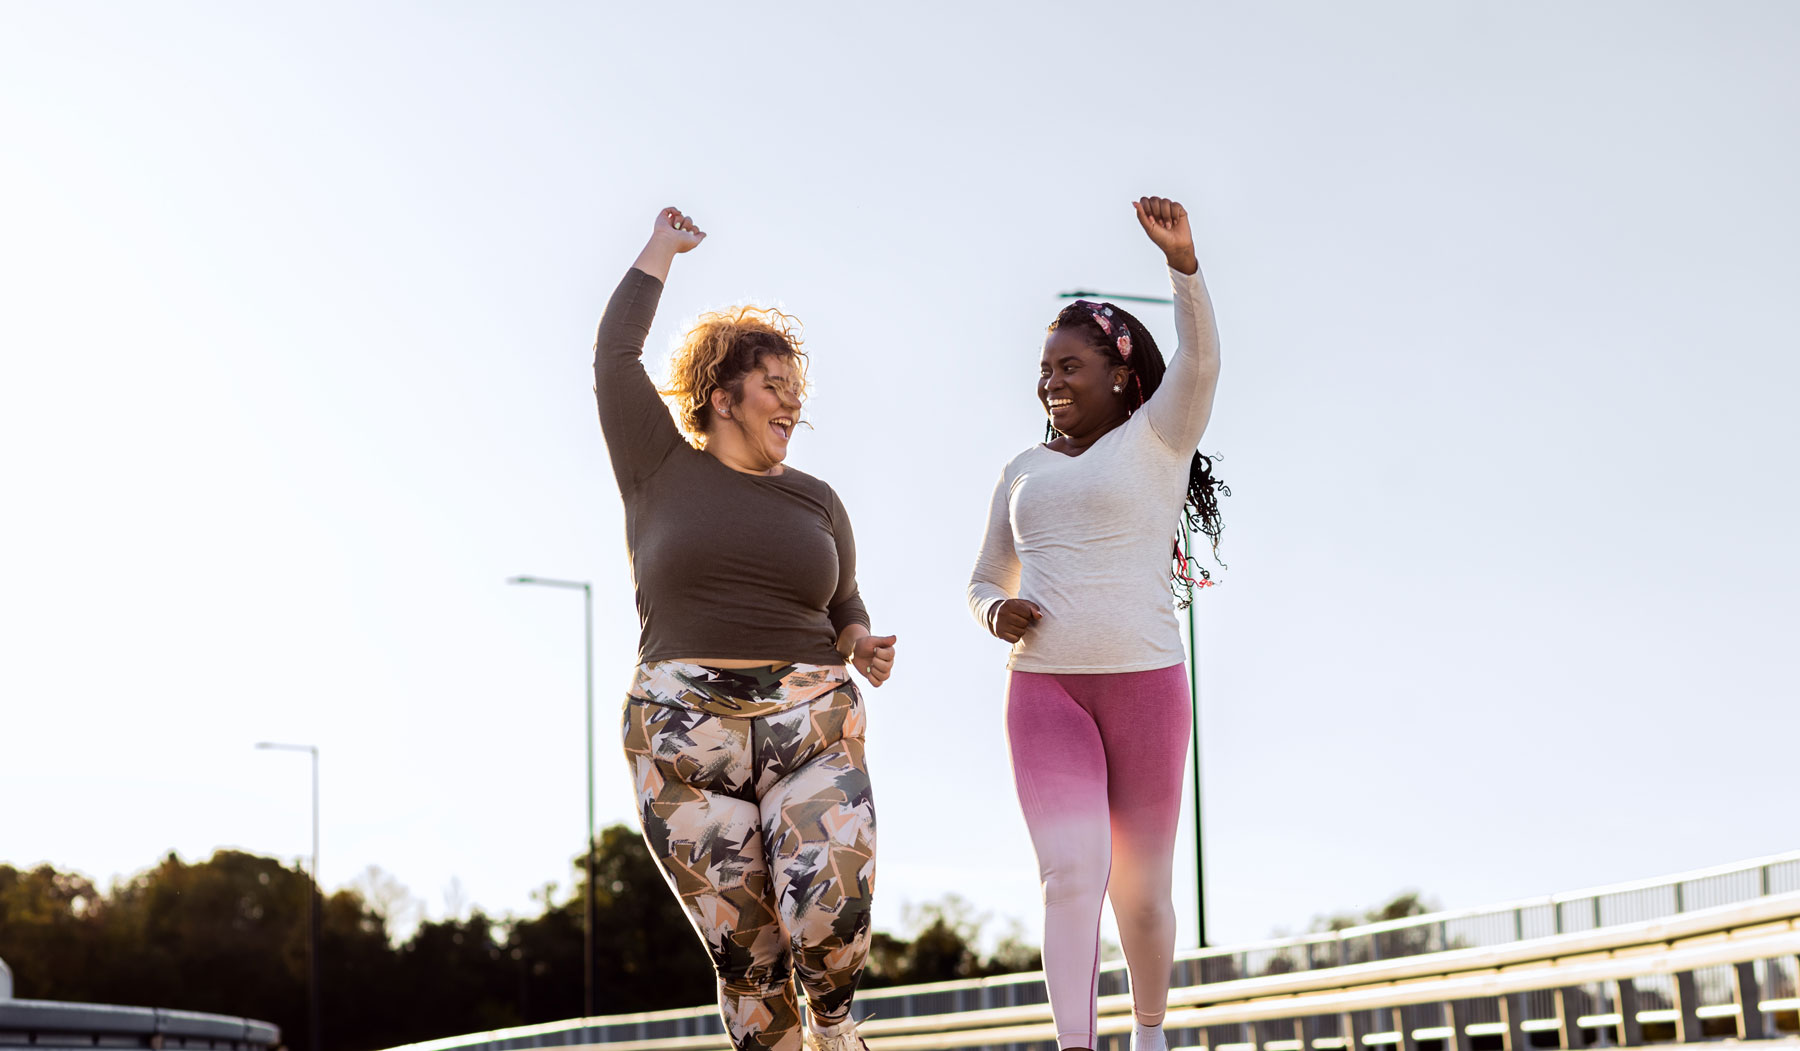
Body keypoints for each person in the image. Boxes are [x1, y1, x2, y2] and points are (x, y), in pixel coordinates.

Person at [594, 206, 895, 1051]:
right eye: (774, 386)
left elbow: (844, 602)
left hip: (811, 723)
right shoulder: (656, 466)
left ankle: (836, 1030)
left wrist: (858, 638)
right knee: (751, 965)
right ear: (723, 397)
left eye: (797, 389)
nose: (792, 402)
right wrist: (662, 248)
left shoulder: (817, 499)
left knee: (831, 924)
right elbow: (613, 357)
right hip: (683, 736)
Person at [967, 196, 1227, 1051]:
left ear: (1118, 374)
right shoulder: (1020, 470)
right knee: (1070, 874)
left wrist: (1182, 266)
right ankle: (1076, 1046)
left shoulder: (1159, 436)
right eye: (1044, 369)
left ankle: (1150, 1032)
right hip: (1044, 690)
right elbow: (982, 576)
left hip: (1146, 685)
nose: (1050, 382)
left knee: (1141, 893)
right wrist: (995, 610)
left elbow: (1202, 358)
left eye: (1069, 365)